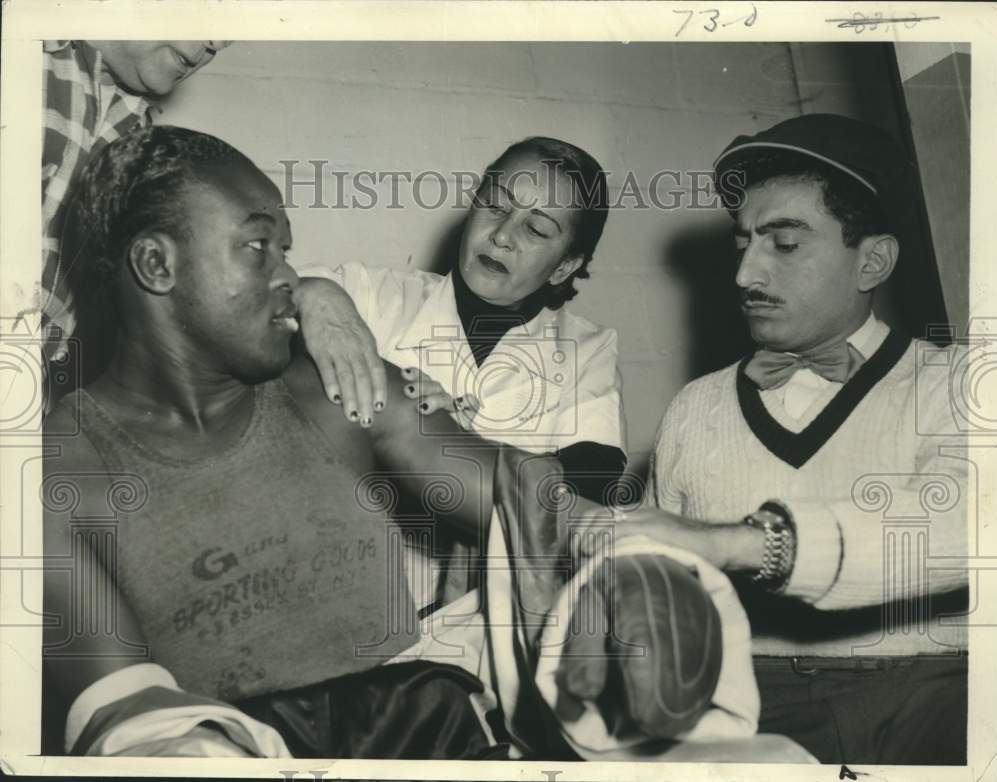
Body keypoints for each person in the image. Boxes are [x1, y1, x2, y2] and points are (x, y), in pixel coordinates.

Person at [42, 125, 769, 761]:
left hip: (425, 717)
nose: (290, 278)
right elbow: (116, 698)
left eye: (290, 254)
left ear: (568, 263)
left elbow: (543, 508)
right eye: (261, 248)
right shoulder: (54, 465)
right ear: (156, 265)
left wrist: (639, 569)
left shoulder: (342, 392)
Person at [605, 114, 968, 764]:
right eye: (742, 243)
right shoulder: (695, 407)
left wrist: (745, 543)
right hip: (745, 697)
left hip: (934, 691)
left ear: (873, 261)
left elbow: (970, 526)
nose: (745, 274)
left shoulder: (960, 382)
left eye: (785, 244)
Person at [296, 137, 627, 609]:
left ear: (565, 267)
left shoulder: (586, 350)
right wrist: (315, 296)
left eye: (535, 229)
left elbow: (582, 500)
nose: (502, 235)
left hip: (487, 629)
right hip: (346, 603)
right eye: (494, 205)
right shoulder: (375, 297)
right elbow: (249, 300)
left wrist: (448, 437)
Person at [38, 41, 231, 373]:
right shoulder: (26, 53)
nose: (215, 44)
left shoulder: (136, 130)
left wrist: (314, 294)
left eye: (230, 36)